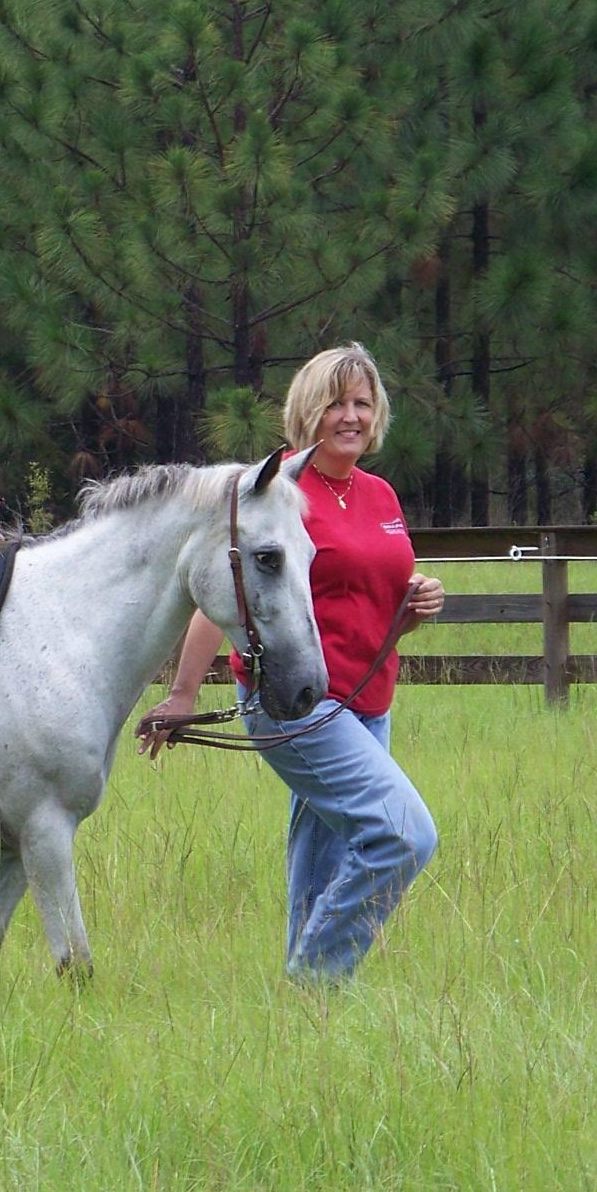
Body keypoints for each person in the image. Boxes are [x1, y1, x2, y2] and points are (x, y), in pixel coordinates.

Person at [139, 343, 445, 983]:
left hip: (370, 699)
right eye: (336, 402)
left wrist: (411, 606)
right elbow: (223, 594)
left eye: (363, 403)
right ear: (308, 410)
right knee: (404, 835)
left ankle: (308, 1017)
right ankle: (318, 975)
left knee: (327, 860)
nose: (351, 416)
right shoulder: (273, 491)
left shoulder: (381, 494)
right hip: (296, 702)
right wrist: (183, 693)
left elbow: (363, 591)